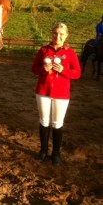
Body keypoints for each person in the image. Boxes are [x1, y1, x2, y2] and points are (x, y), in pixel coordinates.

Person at [31, 22, 81, 166]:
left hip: (61, 93)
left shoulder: (70, 53)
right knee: (44, 121)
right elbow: (34, 68)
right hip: (43, 91)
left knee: (57, 123)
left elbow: (77, 73)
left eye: (61, 34)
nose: (57, 37)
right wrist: (43, 69)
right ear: (51, 34)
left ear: (66, 36)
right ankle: (43, 150)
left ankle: (56, 153)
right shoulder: (43, 50)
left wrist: (63, 70)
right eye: (55, 33)